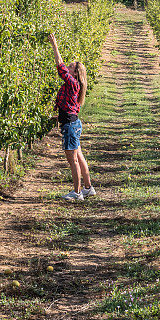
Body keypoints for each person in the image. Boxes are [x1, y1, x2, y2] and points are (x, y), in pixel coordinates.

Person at [48, 33, 96, 201]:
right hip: (73, 123)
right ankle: (88, 188)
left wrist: (55, 45)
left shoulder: (72, 83)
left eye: (70, 68)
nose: (67, 69)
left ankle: (76, 193)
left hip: (70, 126)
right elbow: (68, 107)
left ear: (75, 73)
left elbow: (59, 67)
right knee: (79, 157)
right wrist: (58, 117)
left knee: (72, 160)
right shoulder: (74, 85)